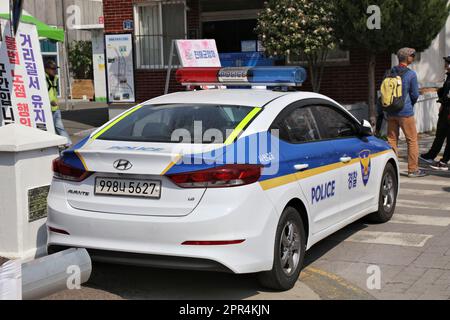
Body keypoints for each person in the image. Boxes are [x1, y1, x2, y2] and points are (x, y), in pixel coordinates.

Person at [386, 48, 426, 178]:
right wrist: (410, 104)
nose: (413, 57)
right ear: (407, 58)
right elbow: (414, 94)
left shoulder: (390, 71)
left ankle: (392, 169)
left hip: (391, 111)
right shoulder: (411, 74)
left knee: (392, 140)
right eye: (412, 55)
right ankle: (413, 169)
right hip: (405, 112)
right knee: (412, 140)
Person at [419, 56, 450, 171]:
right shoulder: (448, 77)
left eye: (447, 63)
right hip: (445, 110)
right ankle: (431, 155)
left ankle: (444, 161)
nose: (445, 65)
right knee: (440, 134)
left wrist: (444, 100)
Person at [45, 60, 71, 146]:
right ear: (47, 69)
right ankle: (54, 145)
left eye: (55, 69)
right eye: (53, 69)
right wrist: (50, 102)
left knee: (60, 127)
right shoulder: (43, 79)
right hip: (47, 109)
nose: (55, 71)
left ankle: (68, 144)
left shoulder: (55, 78)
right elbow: (43, 93)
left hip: (55, 108)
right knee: (50, 129)